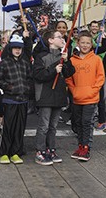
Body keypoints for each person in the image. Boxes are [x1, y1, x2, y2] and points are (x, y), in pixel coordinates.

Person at [32, 30, 75, 165]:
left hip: (58, 95)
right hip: (45, 95)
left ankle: (51, 149)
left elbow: (69, 73)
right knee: (44, 126)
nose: (62, 39)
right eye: (59, 37)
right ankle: (40, 151)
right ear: (50, 40)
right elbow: (38, 75)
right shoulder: (41, 56)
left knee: (53, 126)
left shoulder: (63, 55)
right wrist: (53, 70)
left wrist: (67, 61)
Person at [66, 31, 105, 161]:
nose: (85, 45)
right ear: (78, 43)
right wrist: (74, 91)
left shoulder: (96, 59)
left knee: (86, 123)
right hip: (77, 97)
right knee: (78, 123)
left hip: (90, 98)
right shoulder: (72, 60)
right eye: (82, 42)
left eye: (88, 43)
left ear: (91, 44)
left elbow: (100, 78)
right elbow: (69, 78)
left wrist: (92, 91)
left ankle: (86, 147)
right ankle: (80, 146)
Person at [0, 33, 34, 164]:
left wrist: (27, 88)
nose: (17, 50)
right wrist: (9, 87)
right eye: (15, 47)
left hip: (23, 100)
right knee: (8, 127)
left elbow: (29, 78)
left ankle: (16, 152)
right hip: (10, 100)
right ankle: (4, 152)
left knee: (20, 128)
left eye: (20, 48)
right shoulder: (4, 63)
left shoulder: (25, 63)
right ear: (10, 48)